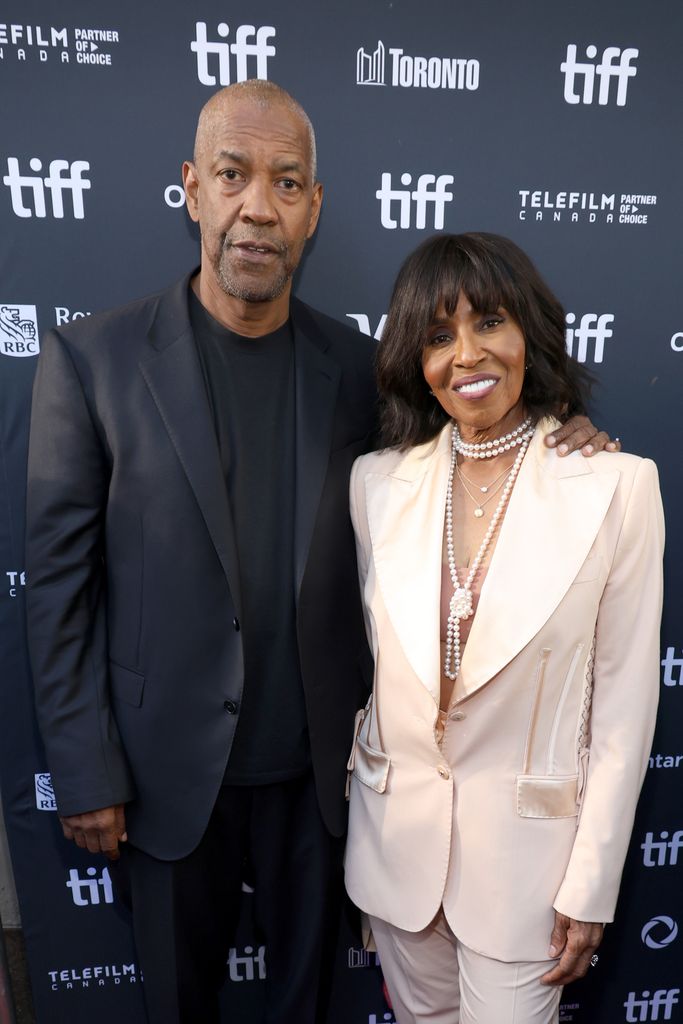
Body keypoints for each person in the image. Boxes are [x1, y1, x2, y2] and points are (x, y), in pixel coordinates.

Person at [25, 83, 615, 1024]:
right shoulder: (92, 361)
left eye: (286, 182)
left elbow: (470, 426)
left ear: (313, 208)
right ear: (191, 189)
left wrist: (559, 429)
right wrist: (87, 769)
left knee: (307, 1009)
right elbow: (57, 591)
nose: (258, 204)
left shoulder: (355, 367)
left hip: (325, 784)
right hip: (163, 781)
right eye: (233, 175)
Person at [344, 233, 664, 1024]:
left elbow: (622, 716)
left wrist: (589, 884)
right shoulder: (375, 484)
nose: (465, 354)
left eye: (488, 322)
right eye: (437, 335)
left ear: (528, 331)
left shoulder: (616, 487)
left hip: (531, 875)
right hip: (397, 858)